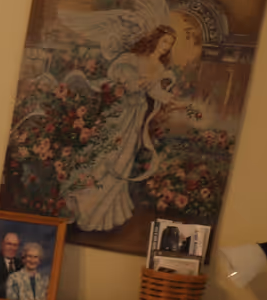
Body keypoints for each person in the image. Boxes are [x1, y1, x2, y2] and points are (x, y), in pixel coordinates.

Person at [68, 25, 182, 233]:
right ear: (156, 39)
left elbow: (157, 93)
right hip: (117, 112)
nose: (166, 47)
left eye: (170, 45)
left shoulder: (159, 69)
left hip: (134, 118)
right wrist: (131, 82)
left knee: (122, 161)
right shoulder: (133, 58)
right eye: (164, 41)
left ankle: (100, 213)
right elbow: (116, 73)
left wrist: (175, 102)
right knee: (101, 155)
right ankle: (83, 205)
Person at [0, 230, 23, 298]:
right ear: (2, 244)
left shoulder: (21, 265)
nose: (12, 248)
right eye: (9, 244)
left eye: (15, 245)